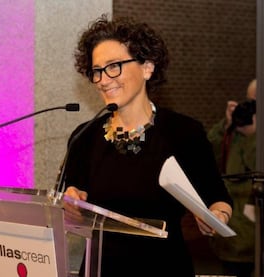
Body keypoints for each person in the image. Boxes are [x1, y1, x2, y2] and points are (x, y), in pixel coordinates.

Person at [62, 14, 233, 277]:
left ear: (147, 67)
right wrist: (71, 203)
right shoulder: (84, 136)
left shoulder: (184, 132)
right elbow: (71, 205)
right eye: (96, 71)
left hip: (163, 266)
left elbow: (217, 198)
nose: (103, 80)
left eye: (114, 66)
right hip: (100, 267)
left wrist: (216, 216)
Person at [207, 79, 257, 277]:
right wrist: (225, 125)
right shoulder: (236, 131)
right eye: (249, 101)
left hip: (250, 236)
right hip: (231, 233)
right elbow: (209, 155)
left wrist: (253, 135)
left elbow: (256, 167)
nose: (250, 107)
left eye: (255, 103)